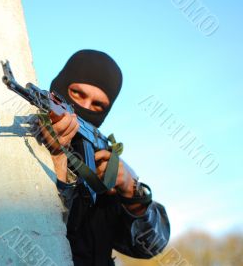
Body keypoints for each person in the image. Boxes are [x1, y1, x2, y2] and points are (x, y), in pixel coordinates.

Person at [38, 50, 170, 266]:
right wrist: (56, 159)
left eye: (98, 105)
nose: (86, 108)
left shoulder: (106, 160)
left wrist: (131, 190)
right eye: (77, 93)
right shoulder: (30, 135)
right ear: (61, 86)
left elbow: (152, 245)